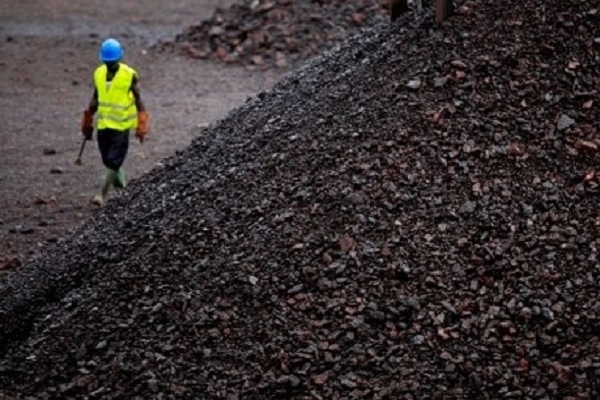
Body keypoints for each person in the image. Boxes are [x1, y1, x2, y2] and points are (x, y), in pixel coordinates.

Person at [81, 38, 149, 207]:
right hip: (103, 126)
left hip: (121, 127)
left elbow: (139, 99)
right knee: (108, 160)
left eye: (112, 62)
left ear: (119, 58)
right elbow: (95, 98)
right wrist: (87, 120)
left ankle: (100, 194)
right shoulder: (98, 73)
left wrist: (142, 123)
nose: (110, 65)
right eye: (107, 62)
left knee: (114, 161)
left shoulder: (129, 75)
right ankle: (124, 187)